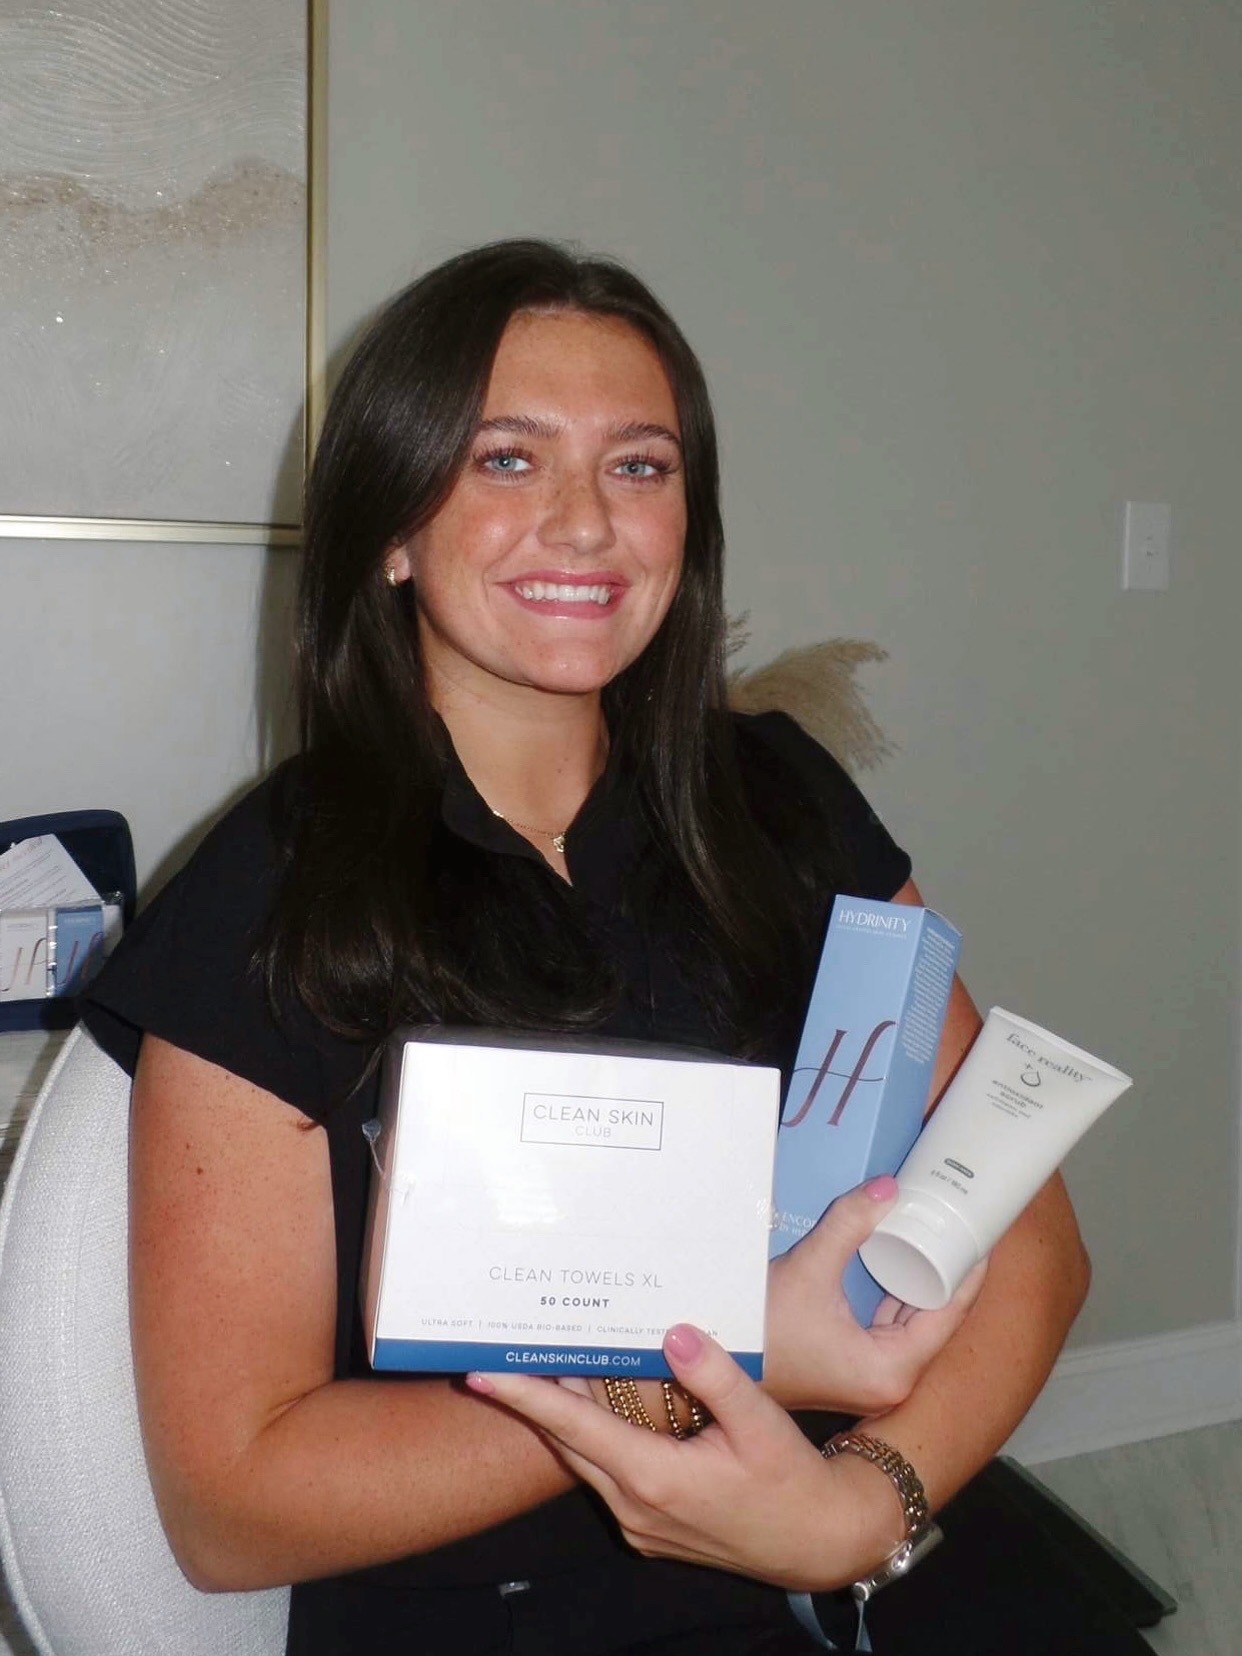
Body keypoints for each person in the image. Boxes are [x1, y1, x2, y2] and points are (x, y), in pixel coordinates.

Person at [83, 239, 1090, 1655]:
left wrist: (863, 1509)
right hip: (511, 1609)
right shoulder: (276, 892)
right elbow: (233, 1506)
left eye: (638, 466)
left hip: (844, 1533)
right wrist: (705, 1357)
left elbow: (1027, 1233)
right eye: (504, 460)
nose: (583, 524)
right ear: (388, 522)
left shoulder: (782, 805)